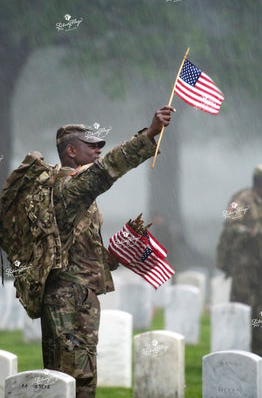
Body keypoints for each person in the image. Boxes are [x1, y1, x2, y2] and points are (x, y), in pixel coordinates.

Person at [41, 106, 174, 398]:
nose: (99, 149)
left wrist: (118, 250)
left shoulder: (79, 193)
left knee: (84, 378)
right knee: (68, 378)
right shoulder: (67, 187)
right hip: (67, 300)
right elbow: (107, 169)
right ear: (71, 151)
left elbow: (80, 250)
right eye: (92, 145)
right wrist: (149, 134)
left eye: (100, 144)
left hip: (82, 296)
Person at [216, 165, 262, 357]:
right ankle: (236, 346)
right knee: (241, 302)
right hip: (243, 260)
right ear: (260, 182)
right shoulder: (241, 201)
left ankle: (258, 349)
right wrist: (258, 233)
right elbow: (230, 227)